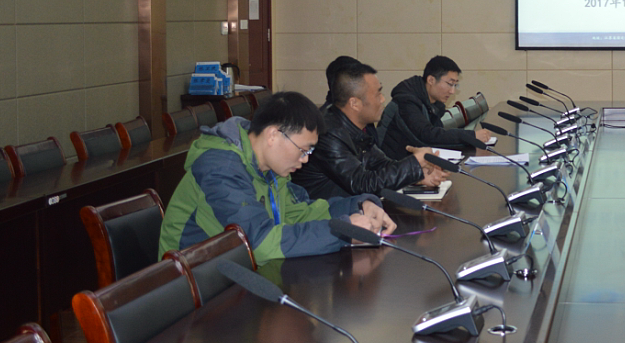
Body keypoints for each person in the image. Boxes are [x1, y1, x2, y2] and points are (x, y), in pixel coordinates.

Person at [159, 91, 396, 265]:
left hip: (233, 273)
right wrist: (342, 231)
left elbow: (297, 213)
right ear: (273, 135)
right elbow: (259, 243)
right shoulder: (221, 168)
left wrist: (359, 205)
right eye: (303, 150)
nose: (305, 159)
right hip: (192, 287)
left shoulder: (267, 167)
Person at [293, 60, 448, 202]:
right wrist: (414, 163)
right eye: (377, 94)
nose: (383, 99)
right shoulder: (329, 134)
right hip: (326, 215)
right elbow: (362, 184)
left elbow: (380, 164)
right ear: (354, 103)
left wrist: (418, 174)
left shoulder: (357, 126)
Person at [380, 55, 487, 159]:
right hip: (390, 165)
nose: (452, 91)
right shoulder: (406, 101)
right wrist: (470, 137)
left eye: (455, 85)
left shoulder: (433, 103)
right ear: (431, 80)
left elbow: (437, 134)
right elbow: (427, 137)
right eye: (450, 84)